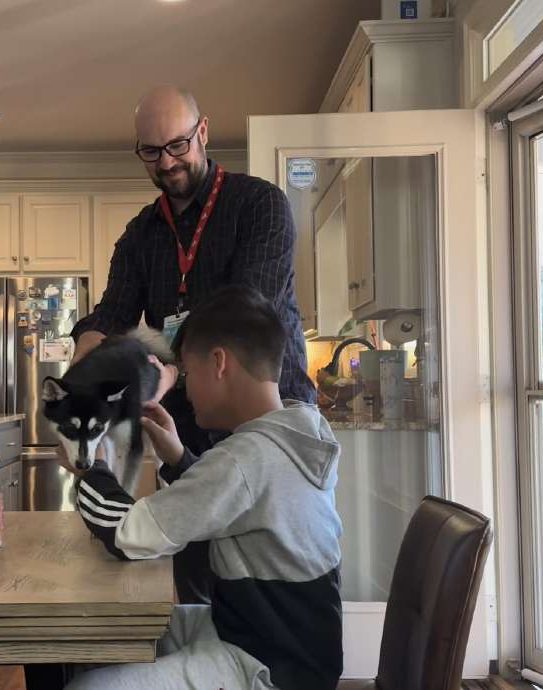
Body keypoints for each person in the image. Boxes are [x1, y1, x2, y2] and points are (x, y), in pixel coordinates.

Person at [68, 85, 315, 606]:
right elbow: (112, 313)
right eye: (151, 151)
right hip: (189, 424)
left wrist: (174, 368)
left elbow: (245, 313)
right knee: (193, 579)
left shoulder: (259, 205)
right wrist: (87, 355)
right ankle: (210, 645)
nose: (167, 162)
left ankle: (249, 652)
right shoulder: (140, 235)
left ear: (203, 131)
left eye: (177, 145)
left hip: (264, 417)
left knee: (266, 577)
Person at [67, 286, 343, 690]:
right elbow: (238, 503)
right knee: (105, 637)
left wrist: (89, 466)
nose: (186, 388)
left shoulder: (245, 458)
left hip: (267, 666)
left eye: (188, 374)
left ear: (218, 363)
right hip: (277, 642)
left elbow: (128, 534)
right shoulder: (296, 433)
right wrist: (179, 458)